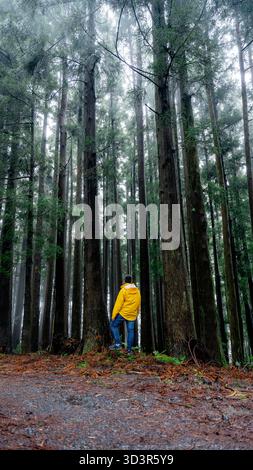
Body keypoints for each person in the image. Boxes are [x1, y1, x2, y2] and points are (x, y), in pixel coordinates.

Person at [110, 275, 141, 354]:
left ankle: (118, 344)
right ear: (131, 281)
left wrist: (114, 315)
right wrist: (136, 313)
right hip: (132, 315)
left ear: (124, 281)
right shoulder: (137, 291)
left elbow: (118, 304)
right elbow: (138, 303)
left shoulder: (123, 290)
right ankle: (129, 350)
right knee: (130, 332)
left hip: (123, 313)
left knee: (113, 325)